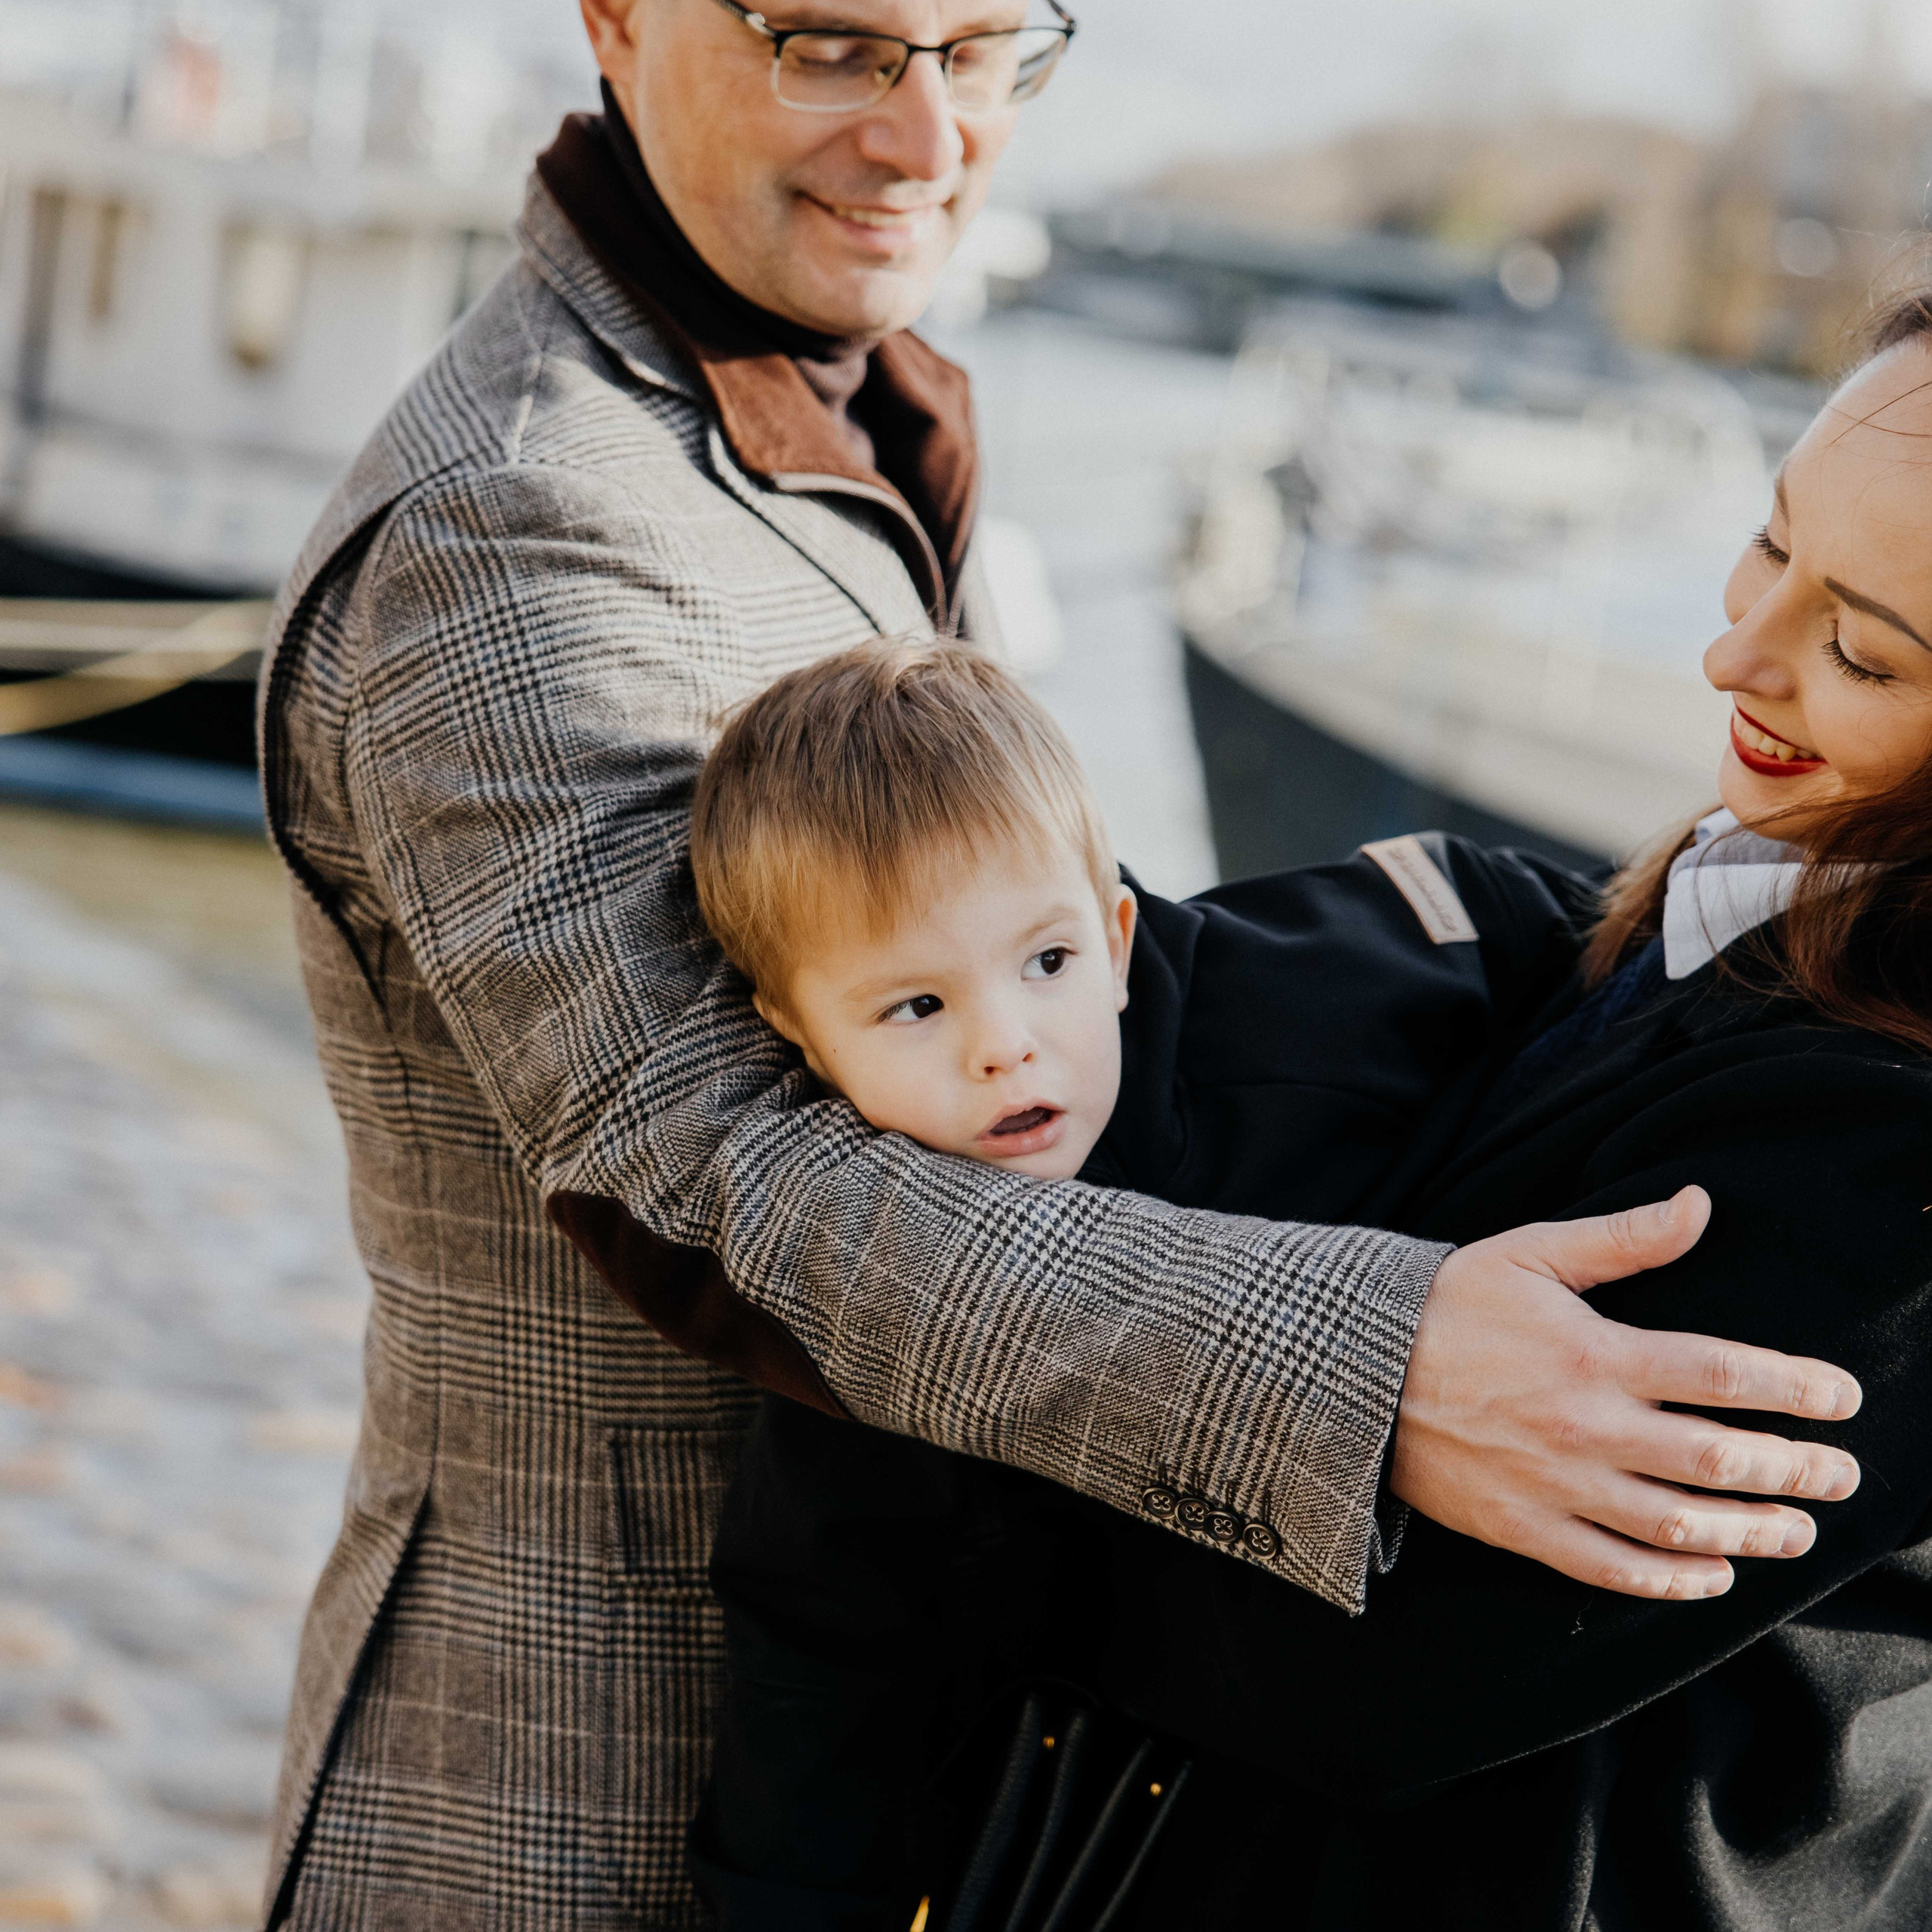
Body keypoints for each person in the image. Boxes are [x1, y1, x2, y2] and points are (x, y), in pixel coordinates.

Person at [255, 0, 1861, 1919]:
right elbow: (710, 1162)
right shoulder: (524, 531)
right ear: (612, 20)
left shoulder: (800, 417)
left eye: (987, 44)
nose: (929, 134)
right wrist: (1361, 1367)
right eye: (830, 45)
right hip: (582, 1771)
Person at [703, 295, 1932, 1930]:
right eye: (1763, 545)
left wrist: (941, 1468)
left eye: (1854, 647)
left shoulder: (1889, 1149)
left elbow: (1367, 1673)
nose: (1733, 651)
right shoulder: (1629, 923)